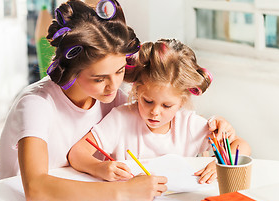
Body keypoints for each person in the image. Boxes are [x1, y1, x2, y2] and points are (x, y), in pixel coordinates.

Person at [0, 0, 168, 201]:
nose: (113, 85)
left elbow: (159, 132)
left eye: (119, 71)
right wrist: (123, 191)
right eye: (99, 78)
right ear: (72, 71)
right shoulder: (36, 104)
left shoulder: (112, 98)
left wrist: (210, 128)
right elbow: (36, 189)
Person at [68, 39, 251, 185]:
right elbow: (77, 153)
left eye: (166, 106)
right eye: (148, 101)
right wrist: (99, 167)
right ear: (137, 91)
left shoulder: (188, 124)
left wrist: (221, 165)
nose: (155, 112)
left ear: (181, 102)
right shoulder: (121, 119)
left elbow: (241, 146)